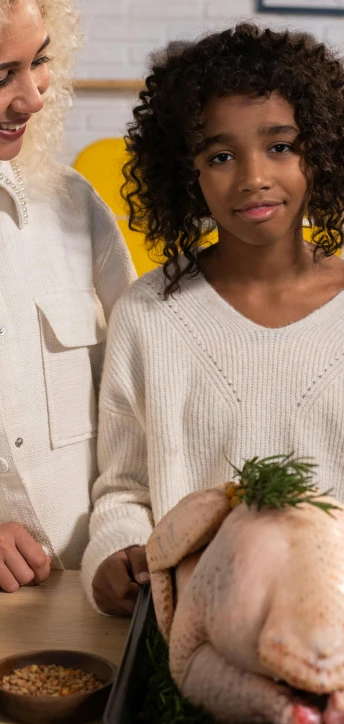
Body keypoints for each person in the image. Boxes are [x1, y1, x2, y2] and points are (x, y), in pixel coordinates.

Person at [82, 24, 344, 617]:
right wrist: (114, 554)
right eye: (220, 156)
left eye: (281, 145)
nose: (254, 176)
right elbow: (124, 490)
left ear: (321, 152)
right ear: (187, 173)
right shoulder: (147, 315)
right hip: (196, 623)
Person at [0, 0, 136, 593]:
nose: (32, 97)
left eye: (41, 61)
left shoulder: (73, 208)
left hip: (88, 595)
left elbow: (137, 409)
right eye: (2, 74)